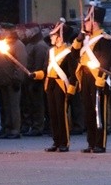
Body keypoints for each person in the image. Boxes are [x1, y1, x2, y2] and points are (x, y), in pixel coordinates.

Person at [30, 19, 78, 152]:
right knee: (52, 114)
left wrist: (71, 90)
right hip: (50, 84)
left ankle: (64, 142)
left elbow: (74, 74)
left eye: (54, 35)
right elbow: (45, 70)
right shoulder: (51, 52)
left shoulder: (69, 53)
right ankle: (56, 141)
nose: (51, 37)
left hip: (62, 85)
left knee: (61, 114)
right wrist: (36, 75)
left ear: (60, 37)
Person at [72, 2, 111, 153]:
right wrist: (79, 38)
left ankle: (100, 143)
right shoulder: (85, 40)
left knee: (99, 112)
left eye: (87, 21)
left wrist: (100, 80)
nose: (85, 23)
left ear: (94, 23)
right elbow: (74, 55)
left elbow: (106, 61)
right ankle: (90, 142)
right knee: (88, 111)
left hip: (98, 78)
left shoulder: (104, 39)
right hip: (85, 77)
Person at [0, 23, 27, 139]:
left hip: (12, 80)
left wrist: (17, 79)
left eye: (1, 29)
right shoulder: (3, 44)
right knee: (6, 106)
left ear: (8, 31)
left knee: (13, 106)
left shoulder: (17, 44)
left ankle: (15, 129)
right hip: (3, 80)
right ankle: (7, 128)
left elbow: (20, 63)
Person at [22, 23, 49, 136]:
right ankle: (33, 125)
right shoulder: (30, 44)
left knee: (38, 104)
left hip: (36, 79)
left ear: (32, 31)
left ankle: (38, 127)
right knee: (31, 104)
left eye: (26, 30)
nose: (25, 33)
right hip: (28, 79)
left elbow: (40, 64)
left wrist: (35, 78)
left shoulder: (40, 45)